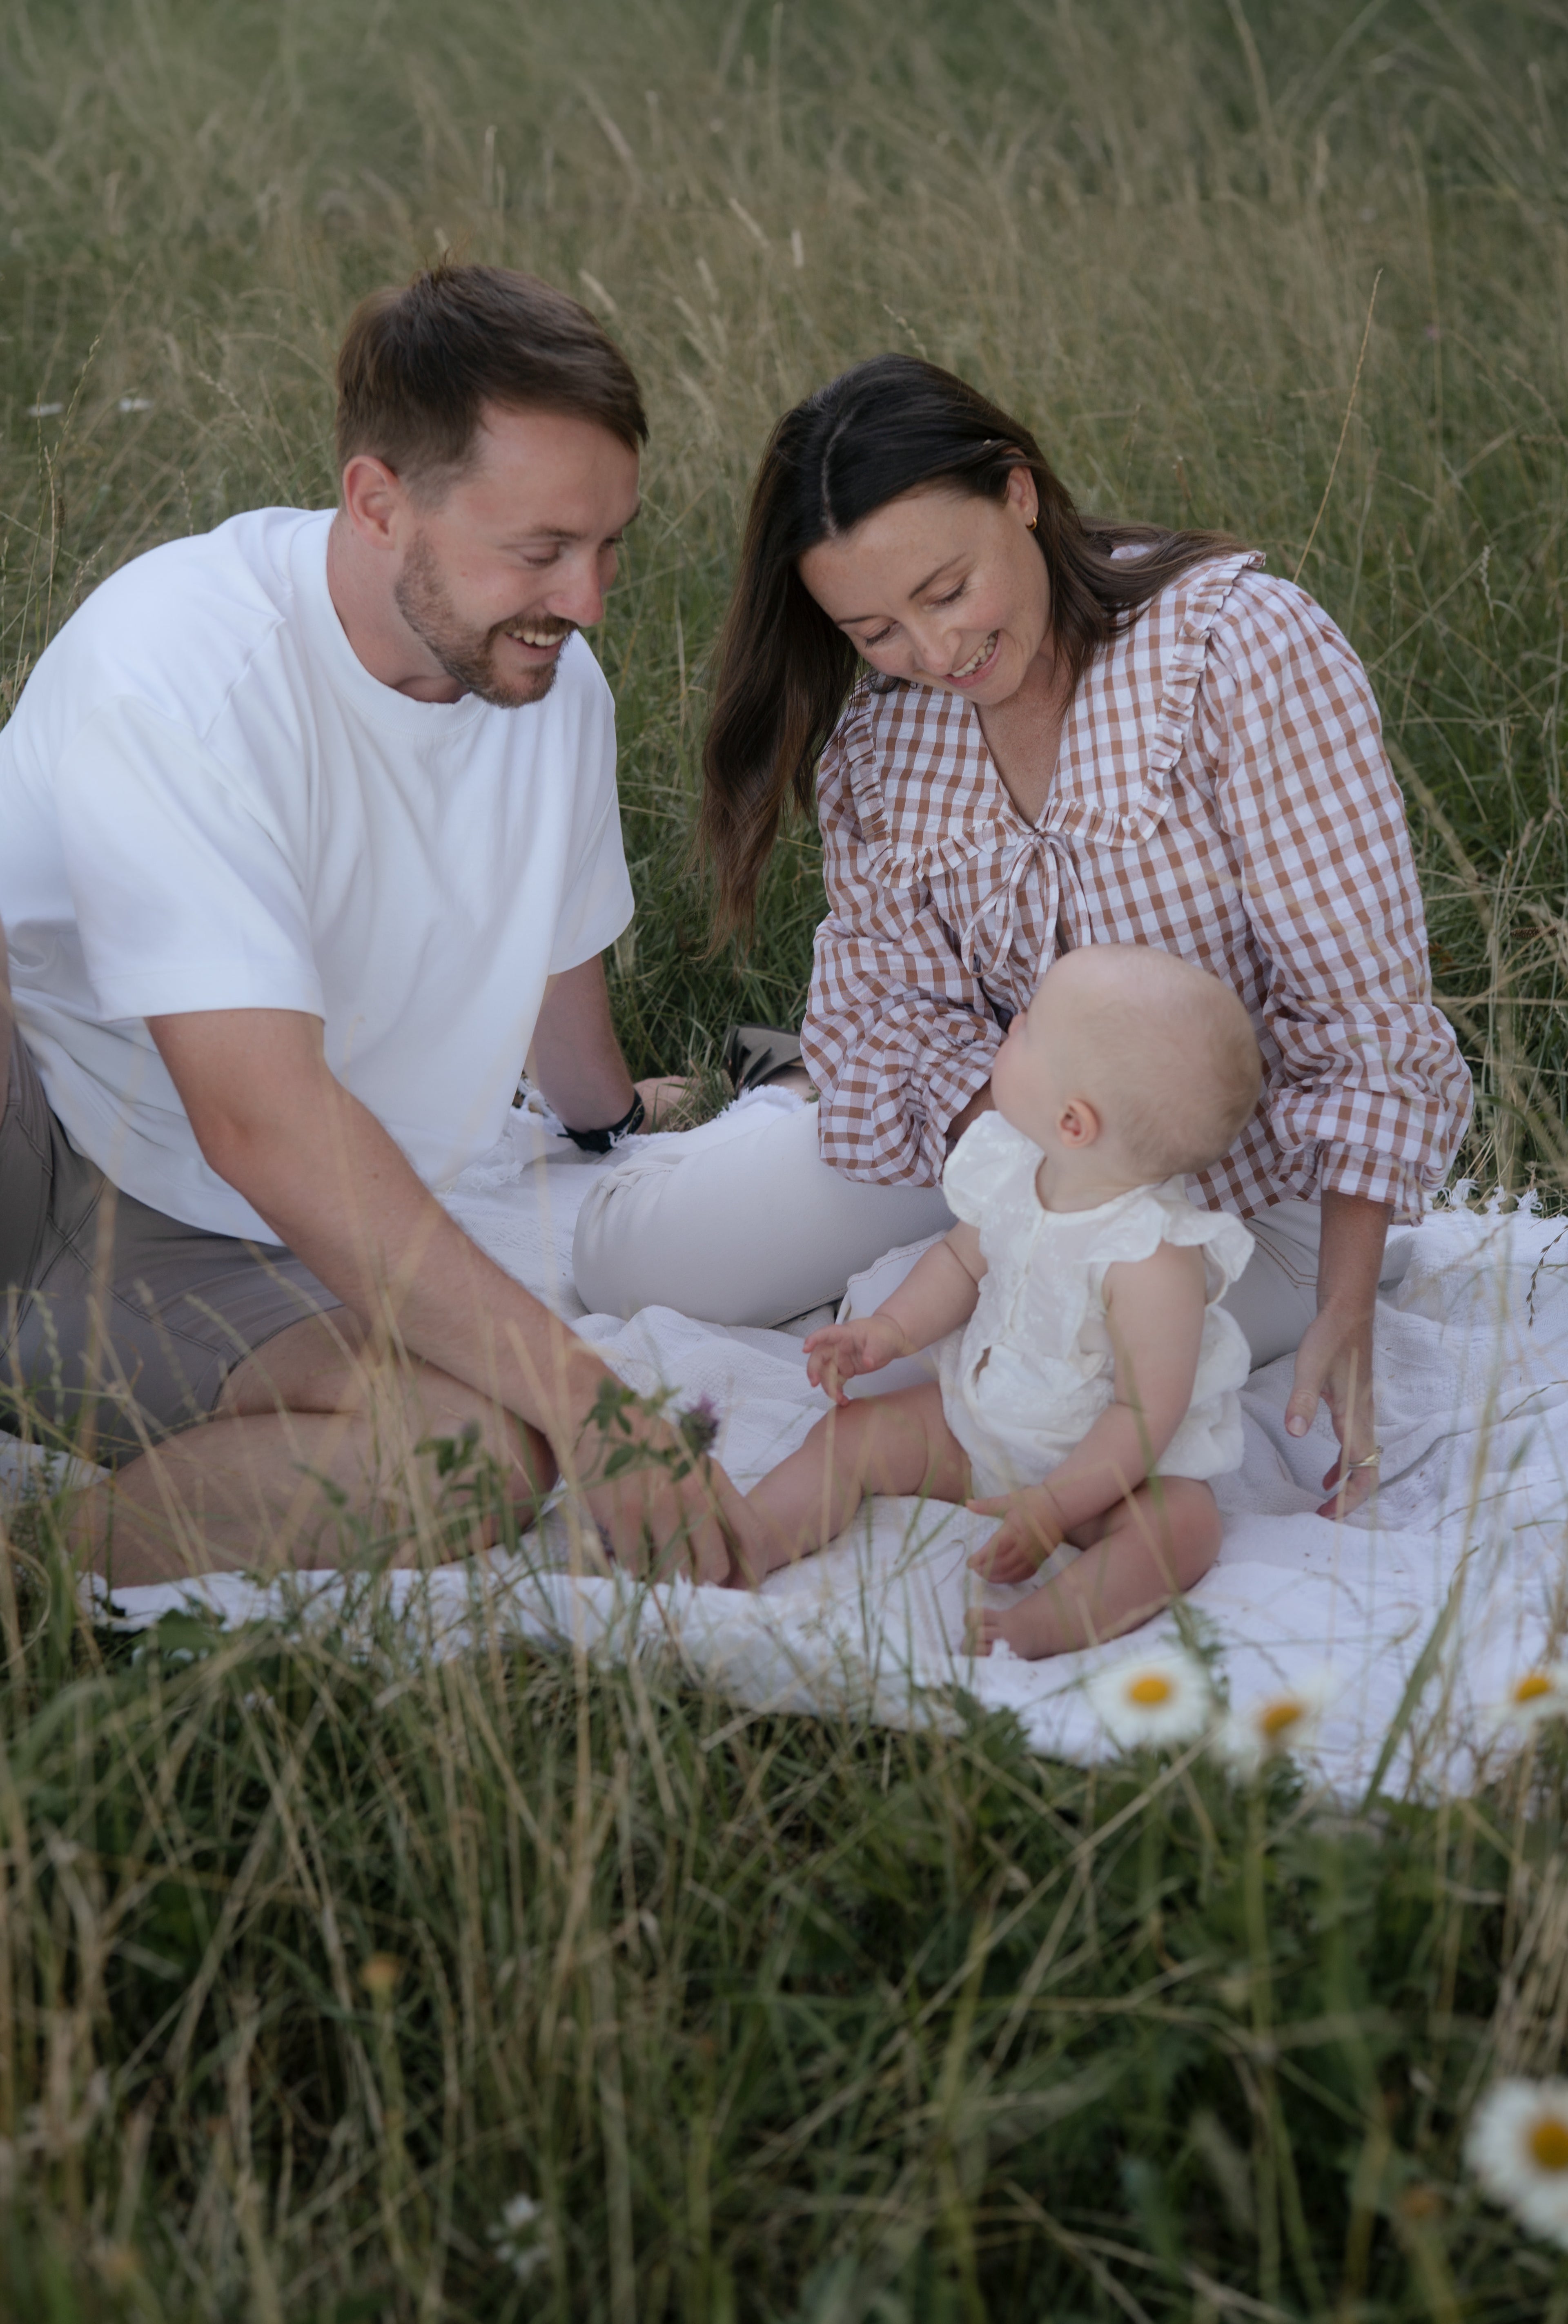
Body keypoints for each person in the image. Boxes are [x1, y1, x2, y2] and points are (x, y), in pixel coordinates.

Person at [573, 354, 1473, 1520]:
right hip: (1014, 1127)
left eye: (948, 591)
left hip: (1250, 1187)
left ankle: (1327, 1263)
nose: (934, 653)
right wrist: (1021, 1189)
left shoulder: (1240, 651)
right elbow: (894, 1007)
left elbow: (1363, 1015)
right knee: (628, 1263)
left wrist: (1345, 1308)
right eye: (874, 630)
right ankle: (784, 1095)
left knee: (914, 1362)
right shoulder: (886, 741)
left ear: (1019, 492)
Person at [0, 263, 743, 1587]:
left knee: (468, 1460)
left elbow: (556, 975)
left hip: (235, 1231)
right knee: (519, 1428)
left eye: (608, 546)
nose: (588, 601)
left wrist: (613, 1119)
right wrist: (592, 1399)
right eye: (541, 552)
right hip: (53, 1172)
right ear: (379, 502)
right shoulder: (184, 672)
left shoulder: (546, 683)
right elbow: (261, 1121)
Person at [731, 945, 1260, 1657]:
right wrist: (888, 1330)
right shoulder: (1016, 1164)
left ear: (1074, 1122)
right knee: (849, 1437)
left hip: (1103, 1475)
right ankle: (748, 1540)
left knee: (1183, 1530)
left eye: (1029, 1028)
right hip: (979, 1423)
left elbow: (1145, 1416)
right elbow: (958, 1263)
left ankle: (1042, 1625)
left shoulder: (1152, 1256)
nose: (1011, 1025)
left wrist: (1055, 1504)